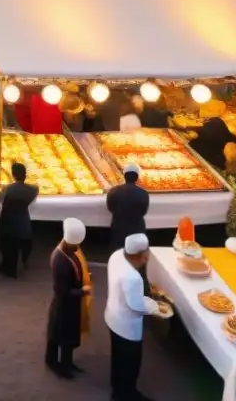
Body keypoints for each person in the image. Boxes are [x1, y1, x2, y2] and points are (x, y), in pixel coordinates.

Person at [105, 234, 161, 401]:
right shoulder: (133, 277)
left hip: (112, 315)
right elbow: (136, 306)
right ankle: (126, 394)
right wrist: (154, 307)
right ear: (141, 256)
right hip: (127, 327)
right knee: (131, 364)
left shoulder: (116, 256)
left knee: (117, 357)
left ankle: (116, 387)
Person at [46, 218, 92, 379]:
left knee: (67, 335)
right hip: (63, 304)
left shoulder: (70, 250)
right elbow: (61, 290)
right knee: (60, 335)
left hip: (71, 304)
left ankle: (66, 363)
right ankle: (56, 364)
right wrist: (82, 290)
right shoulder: (60, 260)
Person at [0, 162, 39, 278]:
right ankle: (24, 262)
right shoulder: (32, 190)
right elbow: (35, 188)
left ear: (13, 175)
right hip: (23, 223)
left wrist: (1, 190)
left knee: (7, 246)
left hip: (9, 222)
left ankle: (8, 269)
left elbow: (2, 198)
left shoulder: (9, 189)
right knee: (22, 244)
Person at [106, 163, 149, 250]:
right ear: (137, 177)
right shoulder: (143, 193)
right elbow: (144, 211)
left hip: (119, 227)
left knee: (118, 252)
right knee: (136, 253)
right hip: (137, 228)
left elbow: (110, 208)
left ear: (124, 176)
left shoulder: (113, 192)